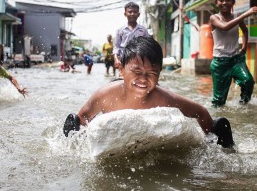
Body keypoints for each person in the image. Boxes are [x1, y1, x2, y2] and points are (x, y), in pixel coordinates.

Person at [63, 36, 234, 148]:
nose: (144, 79)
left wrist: (210, 141)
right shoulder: (105, 96)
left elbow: (200, 112)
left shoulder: (164, 99)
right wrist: (79, 145)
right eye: (137, 72)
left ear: (160, 73)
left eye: (152, 73)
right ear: (121, 70)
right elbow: (83, 117)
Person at [210, 0, 257, 107]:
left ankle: (243, 106)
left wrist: (244, 49)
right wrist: (246, 14)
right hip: (220, 63)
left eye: (228, 0)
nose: (224, 3)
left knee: (248, 81)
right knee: (219, 101)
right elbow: (225, 27)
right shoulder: (214, 18)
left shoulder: (236, 16)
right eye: (221, 0)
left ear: (233, 2)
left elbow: (245, 31)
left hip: (236, 59)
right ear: (217, 3)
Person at [113, 2, 150, 69]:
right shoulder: (120, 30)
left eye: (135, 12)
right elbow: (116, 47)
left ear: (138, 14)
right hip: (124, 61)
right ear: (125, 14)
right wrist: (116, 59)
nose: (132, 14)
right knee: (123, 78)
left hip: (139, 62)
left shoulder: (143, 30)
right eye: (130, 12)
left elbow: (147, 46)